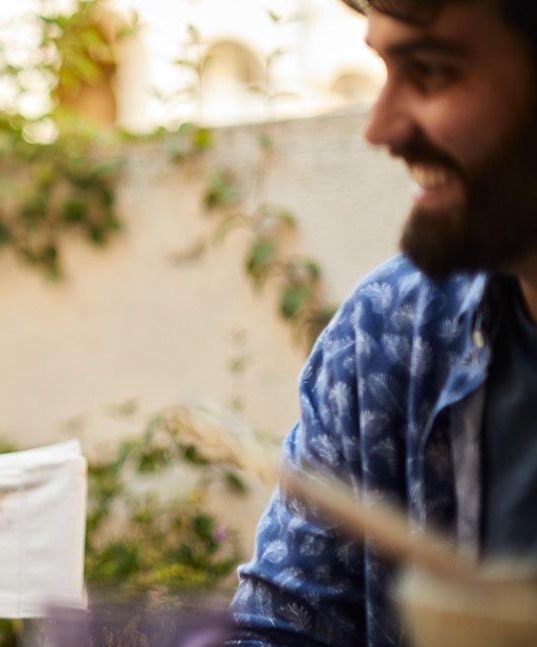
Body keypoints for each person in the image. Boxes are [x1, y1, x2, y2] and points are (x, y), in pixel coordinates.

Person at [228, 0, 537, 644]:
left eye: (430, 71)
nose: (381, 127)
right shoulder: (389, 334)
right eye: (384, 70)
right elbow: (279, 629)